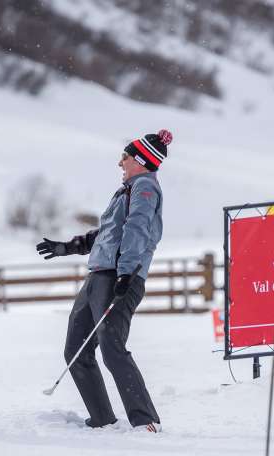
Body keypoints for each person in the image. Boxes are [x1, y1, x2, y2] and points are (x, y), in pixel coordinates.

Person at [36, 129, 173, 433]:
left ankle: (145, 420)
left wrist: (126, 273)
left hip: (118, 277)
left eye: (125, 156)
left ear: (139, 160)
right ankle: (102, 418)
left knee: (112, 349)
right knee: (76, 349)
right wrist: (68, 247)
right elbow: (108, 233)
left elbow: (136, 230)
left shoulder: (145, 189)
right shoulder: (127, 191)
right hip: (99, 276)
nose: (120, 162)